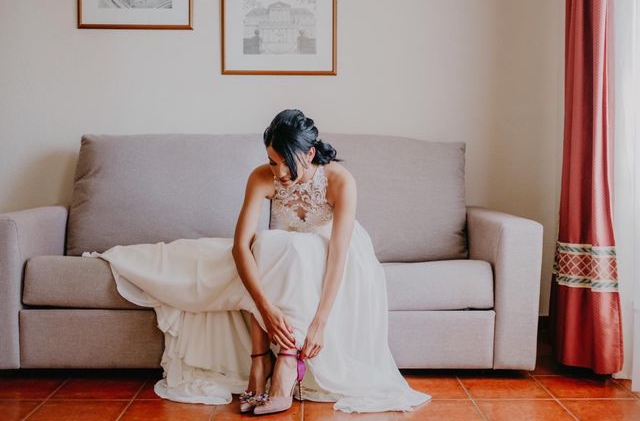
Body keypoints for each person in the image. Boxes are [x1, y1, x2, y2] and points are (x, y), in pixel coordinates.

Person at [83, 109, 431, 415]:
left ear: (309, 153)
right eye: (271, 161)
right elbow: (240, 247)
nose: (277, 172)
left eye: (284, 161)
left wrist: (320, 323)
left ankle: (282, 366)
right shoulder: (262, 178)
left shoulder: (340, 181)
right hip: (279, 262)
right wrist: (265, 308)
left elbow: (338, 254)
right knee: (264, 244)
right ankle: (260, 362)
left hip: (335, 260)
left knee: (295, 249)